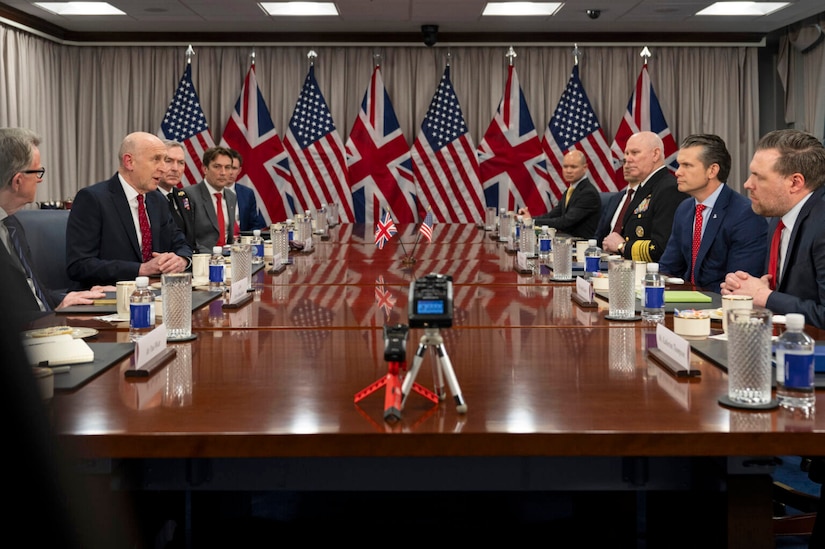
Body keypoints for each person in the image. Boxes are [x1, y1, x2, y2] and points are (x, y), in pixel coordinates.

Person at [721, 129, 825, 329]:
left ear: (795, 182)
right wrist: (747, 288)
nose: (747, 184)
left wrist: (763, 296)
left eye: (758, 177)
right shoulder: (779, 217)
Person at [0, 127, 108, 311]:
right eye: (37, 172)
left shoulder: (11, 224)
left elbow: (34, 292)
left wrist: (70, 298)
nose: (40, 180)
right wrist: (50, 318)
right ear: (18, 181)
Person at [66, 132, 192, 288]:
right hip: (109, 298)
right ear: (129, 162)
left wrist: (181, 260)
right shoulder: (93, 199)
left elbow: (181, 243)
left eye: (164, 160)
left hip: (157, 294)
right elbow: (79, 265)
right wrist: (141, 269)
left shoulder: (157, 200)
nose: (164, 168)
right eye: (156, 160)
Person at [658, 134, 767, 291]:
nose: (677, 172)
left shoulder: (745, 215)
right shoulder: (684, 209)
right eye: (679, 165)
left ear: (712, 170)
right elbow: (668, 268)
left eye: (687, 165)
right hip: (685, 304)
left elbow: (737, 286)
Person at [597, 131, 688, 262]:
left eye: (634, 153)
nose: (627, 159)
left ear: (655, 154)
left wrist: (622, 246)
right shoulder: (643, 188)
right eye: (626, 154)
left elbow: (662, 247)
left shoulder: (669, 189)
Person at [517, 150, 601, 239]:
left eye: (573, 167)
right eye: (565, 166)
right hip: (566, 241)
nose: (568, 171)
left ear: (585, 168)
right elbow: (552, 215)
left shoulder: (588, 193)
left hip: (581, 244)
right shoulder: (571, 190)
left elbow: (565, 222)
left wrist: (531, 221)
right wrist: (528, 218)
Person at [183, 146, 238, 252]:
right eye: (217, 166)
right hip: (202, 258)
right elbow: (188, 238)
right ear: (205, 169)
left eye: (227, 167)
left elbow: (229, 237)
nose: (223, 172)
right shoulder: (189, 195)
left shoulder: (231, 196)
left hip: (228, 258)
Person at [157, 140, 198, 251]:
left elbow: (190, 238)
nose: (175, 168)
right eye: (168, 161)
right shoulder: (147, 197)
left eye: (181, 162)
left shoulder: (182, 196)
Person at [226, 148, 267, 232]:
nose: (230, 172)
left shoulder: (247, 193)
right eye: (227, 168)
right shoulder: (209, 192)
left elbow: (254, 225)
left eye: (234, 168)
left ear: (239, 170)